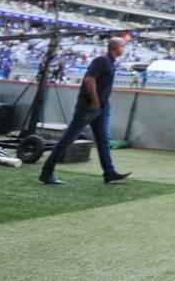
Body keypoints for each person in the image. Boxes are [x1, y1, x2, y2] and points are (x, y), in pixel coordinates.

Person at [39, 37, 131, 185]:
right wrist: (95, 101)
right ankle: (46, 172)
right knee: (68, 139)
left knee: (103, 141)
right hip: (89, 106)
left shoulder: (110, 62)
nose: (124, 49)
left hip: (101, 107)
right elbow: (89, 80)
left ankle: (109, 172)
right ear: (115, 47)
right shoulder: (102, 61)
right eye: (123, 46)